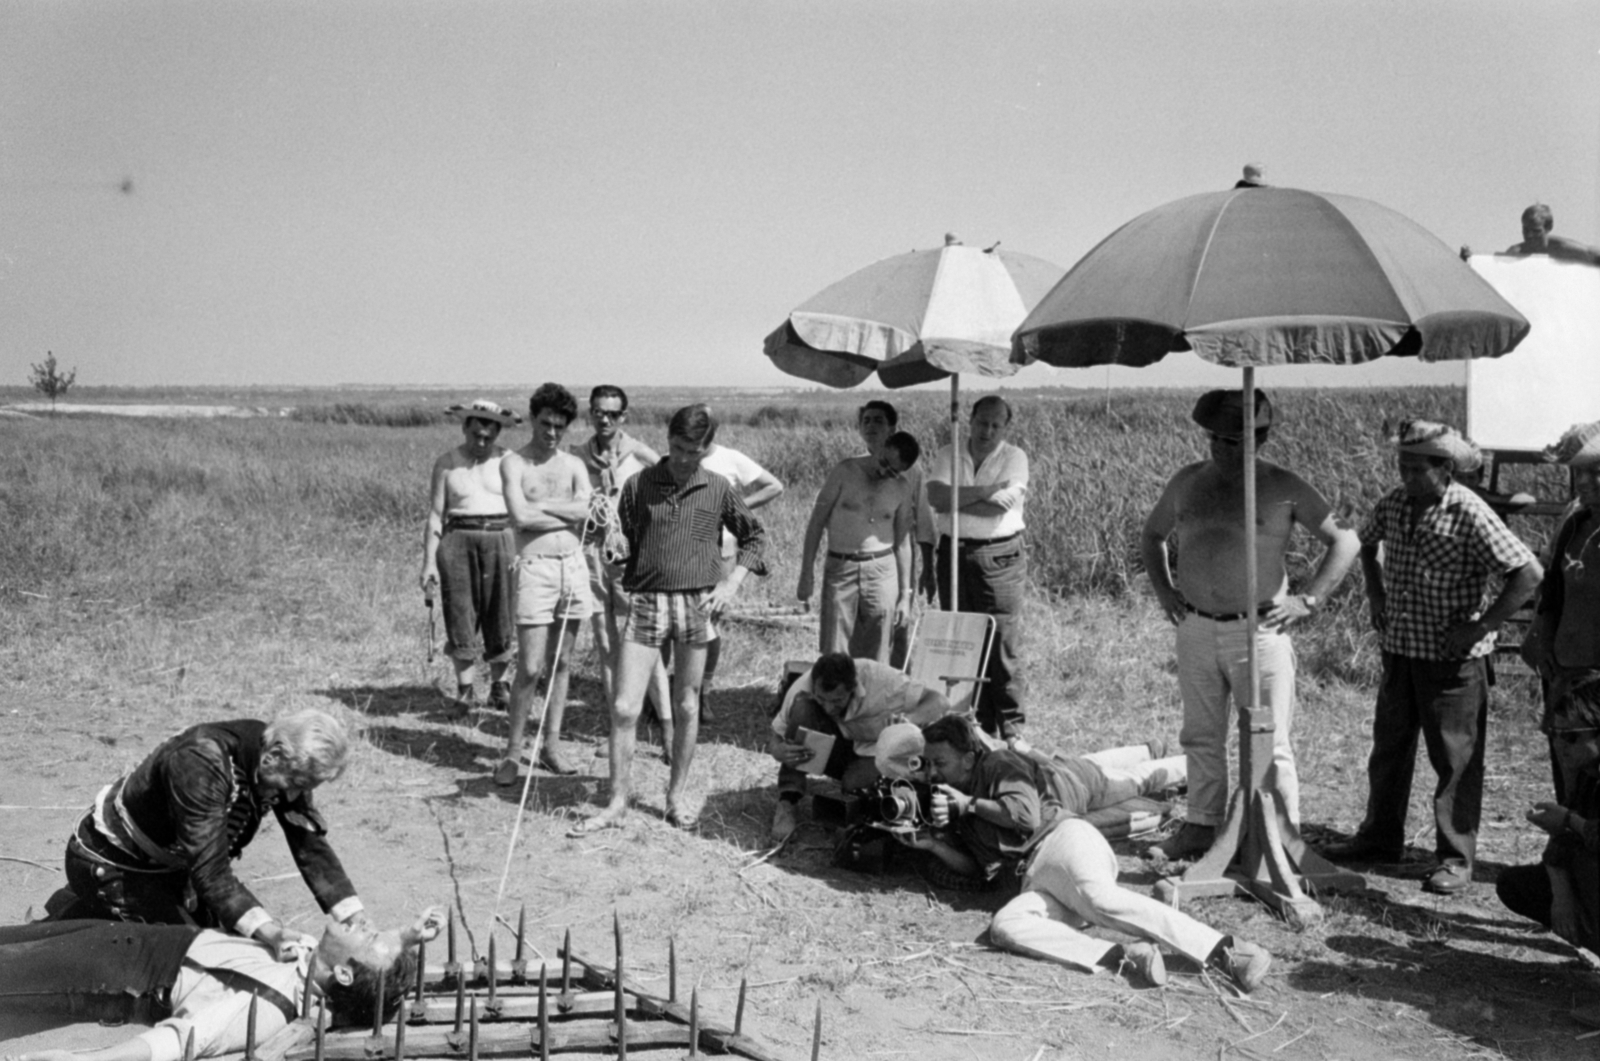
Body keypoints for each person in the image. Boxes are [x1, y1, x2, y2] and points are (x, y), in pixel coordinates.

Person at [1323, 420, 1542, 895]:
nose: (1406, 476)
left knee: (1456, 761)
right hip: (1401, 650)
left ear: (1445, 470)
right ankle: (1380, 839)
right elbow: (1366, 542)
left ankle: (1455, 859)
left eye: (1417, 468)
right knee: (1389, 750)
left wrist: (1482, 627)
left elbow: (1527, 572)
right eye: (1402, 466)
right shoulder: (1396, 503)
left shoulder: (1469, 511)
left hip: (1453, 662)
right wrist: (1376, 594)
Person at [1139, 389, 1359, 860]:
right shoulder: (1187, 481)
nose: (1224, 448)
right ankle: (1201, 828)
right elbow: (1152, 535)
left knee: (1270, 739)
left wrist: (1309, 600)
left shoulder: (1284, 486)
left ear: (1260, 438)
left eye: (1237, 440)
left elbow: (1345, 541)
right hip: (1196, 626)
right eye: (1217, 438)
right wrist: (1165, 592)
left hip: (1259, 632)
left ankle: (1280, 841)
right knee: (1200, 735)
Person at [901, 717, 1272, 992]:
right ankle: (1122, 955)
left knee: (1101, 899)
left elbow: (1025, 817)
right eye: (928, 765)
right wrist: (934, 844)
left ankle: (1228, 949)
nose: (933, 773)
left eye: (941, 763)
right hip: (1034, 880)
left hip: (1063, 842)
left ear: (968, 759)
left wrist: (968, 806)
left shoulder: (997, 765)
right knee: (1006, 927)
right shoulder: (952, 799)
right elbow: (975, 868)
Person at [568, 404, 767, 835]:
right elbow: (621, 540)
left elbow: (754, 536)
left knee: (686, 704)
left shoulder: (716, 488)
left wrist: (730, 585)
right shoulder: (640, 485)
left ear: (706, 448)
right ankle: (617, 801)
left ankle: (675, 797)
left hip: (697, 605)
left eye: (691, 451)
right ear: (667, 440)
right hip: (646, 602)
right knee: (624, 707)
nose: (681, 458)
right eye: (676, 447)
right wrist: (613, 552)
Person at [42, 711, 365, 957]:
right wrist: (269, 930)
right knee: (194, 962)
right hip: (117, 866)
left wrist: (355, 920)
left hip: (173, 870)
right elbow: (210, 870)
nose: (293, 796)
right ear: (275, 755)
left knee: (238, 944)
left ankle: (93, 911)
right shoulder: (201, 761)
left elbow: (308, 841)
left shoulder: (278, 758)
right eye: (295, 785)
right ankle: (85, 915)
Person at [0, 909, 441, 1061]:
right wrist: (406, 937)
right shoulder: (311, 961)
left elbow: (178, 1044)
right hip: (133, 943)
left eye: (367, 935)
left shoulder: (269, 1007)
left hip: (114, 978)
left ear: (344, 973)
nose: (362, 923)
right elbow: (373, 966)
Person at [494, 383, 593, 784]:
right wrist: (565, 514)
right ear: (533, 418)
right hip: (534, 567)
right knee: (531, 666)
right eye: (546, 423)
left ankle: (551, 745)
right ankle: (513, 753)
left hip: (573, 565)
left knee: (561, 663)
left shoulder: (573, 465)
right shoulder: (514, 464)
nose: (552, 432)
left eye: (560, 426)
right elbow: (520, 518)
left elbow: (588, 511)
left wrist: (545, 508)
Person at [570, 385, 674, 756]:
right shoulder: (579, 456)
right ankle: (617, 729)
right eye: (599, 412)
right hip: (592, 554)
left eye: (613, 413)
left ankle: (667, 730)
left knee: (645, 644)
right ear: (590, 414)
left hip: (631, 558)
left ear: (623, 417)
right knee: (605, 644)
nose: (605, 419)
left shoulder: (640, 453)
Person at [925, 395, 1030, 746]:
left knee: (1001, 642)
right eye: (982, 422)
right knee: (964, 639)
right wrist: (984, 491)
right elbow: (936, 499)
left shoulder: (1014, 457)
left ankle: (1012, 729)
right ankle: (977, 724)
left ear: (1005, 427)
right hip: (953, 553)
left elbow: (1001, 507)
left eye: (996, 425)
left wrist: (961, 496)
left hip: (998, 557)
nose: (987, 430)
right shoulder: (947, 453)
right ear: (969, 419)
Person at [766, 652, 951, 843]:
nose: (829, 708)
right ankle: (788, 800)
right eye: (822, 699)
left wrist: (907, 721)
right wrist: (779, 751)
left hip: (873, 752)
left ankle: (855, 791)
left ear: (853, 687)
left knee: (854, 793)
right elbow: (775, 738)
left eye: (837, 700)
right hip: (835, 744)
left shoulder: (881, 679)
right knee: (804, 708)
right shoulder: (802, 686)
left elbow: (940, 701)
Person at [420, 400, 521, 710]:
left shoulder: (509, 461)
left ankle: (499, 686)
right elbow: (436, 515)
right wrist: (428, 563)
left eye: (488, 437)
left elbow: (523, 510)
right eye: (475, 434)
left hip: (501, 539)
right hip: (457, 542)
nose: (481, 442)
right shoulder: (447, 463)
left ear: (497, 434)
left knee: (501, 614)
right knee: (460, 614)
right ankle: (465, 691)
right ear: (464, 427)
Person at [1521, 421, 1600, 801]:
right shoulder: (1576, 520)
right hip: (1566, 667)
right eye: (1578, 471)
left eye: (1595, 471)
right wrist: (1541, 634)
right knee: (1568, 765)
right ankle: (1562, 858)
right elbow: (1552, 585)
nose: (1583, 481)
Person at [797, 424, 921, 663]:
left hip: (882, 571)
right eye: (884, 462)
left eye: (892, 472)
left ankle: (873, 698)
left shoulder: (902, 489)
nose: (883, 472)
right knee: (835, 649)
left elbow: (904, 544)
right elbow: (815, 524)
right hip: (841, 568)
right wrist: (806, 574)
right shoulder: (844, 472)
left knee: (880, 647)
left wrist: (906, 595)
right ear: (882, 447)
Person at [1494, 675, 1598, 961]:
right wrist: (1562, 896)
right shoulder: (1587, 773)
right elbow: (1559, 846)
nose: (1561, 745)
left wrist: (1570, 821)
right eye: (1556, 734)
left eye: (1571, 736)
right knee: (1519, 885)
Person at [693, 433, 784, 721]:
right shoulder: (680, 457)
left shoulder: (730, 458)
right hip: (684, 554)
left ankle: (702, 694)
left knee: (708, 624)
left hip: (723, 552)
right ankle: (666, 697)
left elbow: (773, 486)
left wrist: (735, 509)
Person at [1503, 203, 1600, 265]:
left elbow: (1591, 253)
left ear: (1548, 228)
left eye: (1536, 231)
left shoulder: (1561, 249)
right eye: (1526, 230)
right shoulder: (1515, 253)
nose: (1529, 235)